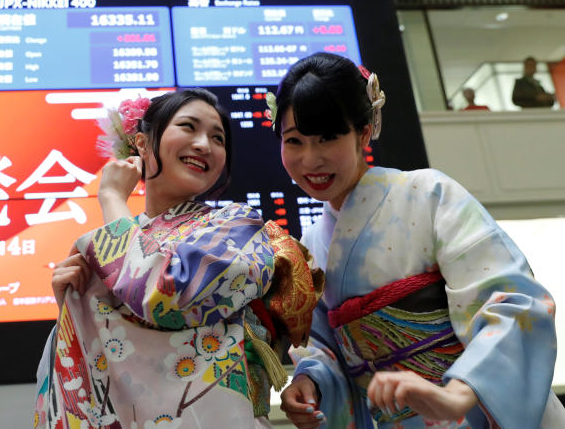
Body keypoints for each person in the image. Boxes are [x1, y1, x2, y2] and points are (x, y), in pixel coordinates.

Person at [270, 53, 563, 428]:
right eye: (294, 141)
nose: (311, 159)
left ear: (363, 133)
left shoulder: (429, 194)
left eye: (328, 138)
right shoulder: (311, 243)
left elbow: (514, 303)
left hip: (473, 408)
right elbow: (325, 347)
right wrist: (310, 382)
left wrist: (458, 394)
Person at [34, 88, 322, 428]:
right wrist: (75, 310)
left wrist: (111, 196)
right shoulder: (112, 242)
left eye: (218, 138)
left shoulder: (237, 225)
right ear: (142, 144)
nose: (204, 145)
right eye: (188, 126)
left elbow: (164, 297)